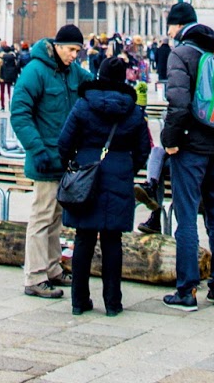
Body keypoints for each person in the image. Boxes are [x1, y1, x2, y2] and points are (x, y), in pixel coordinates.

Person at [58, 56, 151, 316]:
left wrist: (73, 164)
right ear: (124, 78)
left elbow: (64, 141)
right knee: (112, 240)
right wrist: (127, 168)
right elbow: (144, 149)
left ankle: (79, 301)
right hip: (119, 173)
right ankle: (113, 303)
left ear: (99, 74)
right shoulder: (133, 111)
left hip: (86, 172)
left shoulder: (83, 105)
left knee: (83, 238)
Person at [160, 1, 214, 311]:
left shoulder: (181, 54)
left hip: (190, 147)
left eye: (170, 27)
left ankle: (187, 289)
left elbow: (178, 102)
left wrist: (170, 139)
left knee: (187, 217)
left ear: (178, 26)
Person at [10, 24, 91, 299]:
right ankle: (34, 276)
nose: (74, 56)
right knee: (41, 217)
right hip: (45, 158)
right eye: (71, 50)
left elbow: (93, 84)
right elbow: (19, 113)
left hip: (65, 159)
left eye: (78, 51)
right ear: (57, 46)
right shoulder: (36, 71)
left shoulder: (72, 71)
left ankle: (53, 268)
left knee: (56, 217)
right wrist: (37, 150)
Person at [0, 42, 20, 110]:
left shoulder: (1, 57)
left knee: (2, 92)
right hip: (10, 76)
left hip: (2, 77)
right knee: (10, 91)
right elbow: (16, 67)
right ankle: (10, 104)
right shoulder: (13, 57)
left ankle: (2, 105)